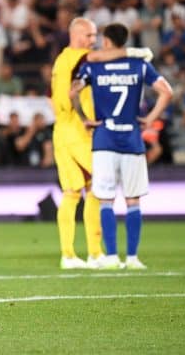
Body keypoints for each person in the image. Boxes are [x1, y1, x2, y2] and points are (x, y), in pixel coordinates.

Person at [50, 17, 153, 270]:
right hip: (78, 131)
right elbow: (100, 59)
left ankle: (69, 255)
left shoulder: (63, 59)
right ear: (76, 35)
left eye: (95, 36)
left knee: (73, 193)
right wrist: (135, 52)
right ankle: (96, 253)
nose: (93, 41)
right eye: (89, 35)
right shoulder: (82, 58)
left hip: (62, 131)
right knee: (99, 188)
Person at [70, 22, 172, 270]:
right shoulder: (140, 64)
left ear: (106, 41)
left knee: (105, 199)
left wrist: (85, 118)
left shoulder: (93, 66)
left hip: (104, 137)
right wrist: (149, 119)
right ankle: (134, 258)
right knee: (133, 200)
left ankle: (112, 257)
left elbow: (73, 92)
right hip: (132, 138)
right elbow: (166, 92)